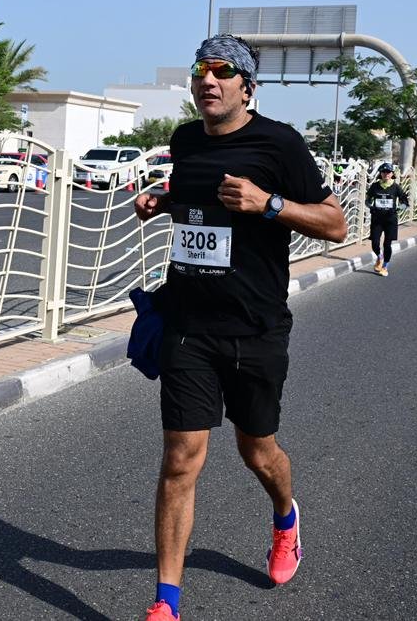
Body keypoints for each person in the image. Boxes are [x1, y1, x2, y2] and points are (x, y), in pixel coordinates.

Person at [133, 34, 348, 621]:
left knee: (258, 451)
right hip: (188, 324)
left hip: (255, 327)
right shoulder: (184, 140)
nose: (208, 79)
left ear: (246, 85)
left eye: (222, 71)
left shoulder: (279, 144)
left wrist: (270, 204)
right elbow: (195, 202)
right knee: (181, 457)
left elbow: (335, 223)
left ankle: (285, 518)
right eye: (201, 70)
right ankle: (165, 603)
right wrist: (160, 202)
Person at [366, 163, 410, 275]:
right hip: (377, 219)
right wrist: (371, 206)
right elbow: (368, 200)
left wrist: (398, 209)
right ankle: (379, 257)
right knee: (375, 243)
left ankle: (385, 267)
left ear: (392, 174)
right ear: (380, 173)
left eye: (388, 172)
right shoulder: (375, 186)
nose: (386, 174)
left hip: (390, 219)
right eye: (384, 172)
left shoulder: (396, 187)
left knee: (387, 244)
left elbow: (405, 202)